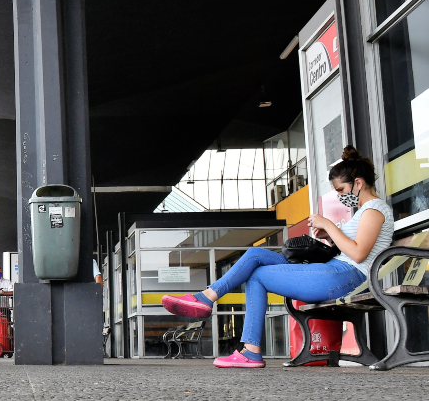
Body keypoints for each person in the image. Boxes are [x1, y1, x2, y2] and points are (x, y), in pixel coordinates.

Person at [162, 146, 392, 368]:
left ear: (358, 183)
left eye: (341, 190)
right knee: (255, 254)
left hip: (343, 276)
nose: (341, 196)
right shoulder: (366, 211)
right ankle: (207, 297)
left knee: (258, 276)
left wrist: (330, 226)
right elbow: (353, 249)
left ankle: (248, 348)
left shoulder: (374, 210)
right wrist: (330, 237)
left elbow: (359, 253)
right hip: (337, 271)